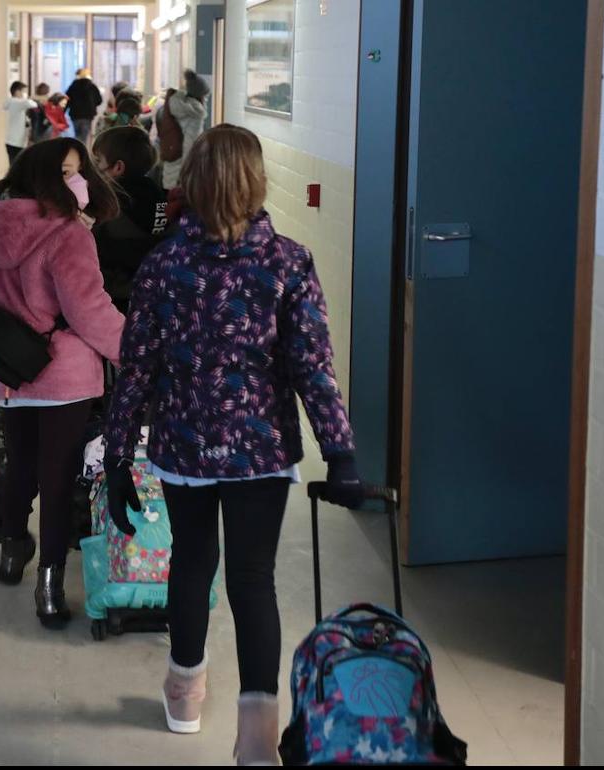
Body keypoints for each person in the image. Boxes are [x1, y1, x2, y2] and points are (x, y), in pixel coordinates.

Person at [103, 125, 364, 764]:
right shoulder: (288, 262)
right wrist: (341, 452)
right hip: (261, 451)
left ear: (190, 182)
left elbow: (135, 366)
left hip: (184, 448)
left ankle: (184, 695)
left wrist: (115, 457)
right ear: (255, 182)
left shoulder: (163, 264)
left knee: (192, 565)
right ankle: (256, 737)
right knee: (253, 580)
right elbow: (312, 365)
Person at [0, 137, 124, 628]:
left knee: (20, 465)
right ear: (42, 176)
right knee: (58, 477)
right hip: (64, 375)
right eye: (65, 173)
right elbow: (90, 311)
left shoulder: (0, 227)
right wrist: (132, 350)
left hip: (14, 370)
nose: (76, 182)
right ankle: (49, 586)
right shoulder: (67, 235)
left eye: (77, 172)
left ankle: (10, 549)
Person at [90, 126, 170, 312]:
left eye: (97, 161)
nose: (93, 168)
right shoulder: (157, 194)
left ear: (117, 167)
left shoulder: (110, 202)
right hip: (150, 289)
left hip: (113, 292)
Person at [158, 70, 210, 191]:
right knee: (177, 206)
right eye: (205, 96)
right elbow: (190, 146)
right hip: (181, 173)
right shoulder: (195, 115)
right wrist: (187, 174)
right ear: (200, 95)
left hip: (171, 162)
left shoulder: (175, 105)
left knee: (165, 204)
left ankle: (161, 210)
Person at [65, 68, 104, 145]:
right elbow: (99, 100)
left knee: (77, 135)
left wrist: (63, 112)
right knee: (84, 136)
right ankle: (82, 152)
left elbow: (67, 100)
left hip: (75, 114)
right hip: (87, 115)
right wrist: (92, 105)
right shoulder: (92, 87)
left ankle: (77, 151)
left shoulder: (73, 86)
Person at [4, 81, 37, 166]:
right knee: (17, 166)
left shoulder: (11, 102)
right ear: (17, 91)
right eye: (23, 91)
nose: (25, 93)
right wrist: (27, 98)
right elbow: (32, 104)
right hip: (16, 141)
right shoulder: (17, 103)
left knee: (14, 164)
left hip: (12, 140)